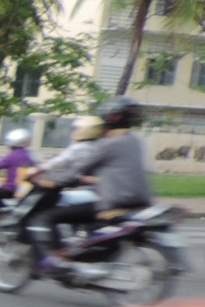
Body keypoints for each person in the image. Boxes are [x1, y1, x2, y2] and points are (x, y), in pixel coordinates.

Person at [26, 103, 153, 264]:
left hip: (113, 202)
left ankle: (58, 259)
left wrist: (50, 182)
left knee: (46, 217)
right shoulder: (135, 141)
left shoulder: (108, 144)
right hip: (140, 201)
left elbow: (77, 170)